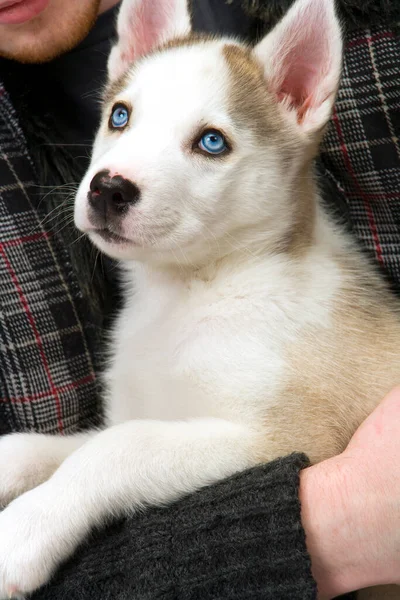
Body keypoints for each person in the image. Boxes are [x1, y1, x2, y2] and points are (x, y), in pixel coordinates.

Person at [0, 0, 400, 598]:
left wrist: (92, 476)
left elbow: (280, 445)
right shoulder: (159, 304)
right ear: (125, 58)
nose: (117, 173)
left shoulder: (302, 311)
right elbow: (179, 452)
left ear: (299, 100)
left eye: (211, 142)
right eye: (123, 116)